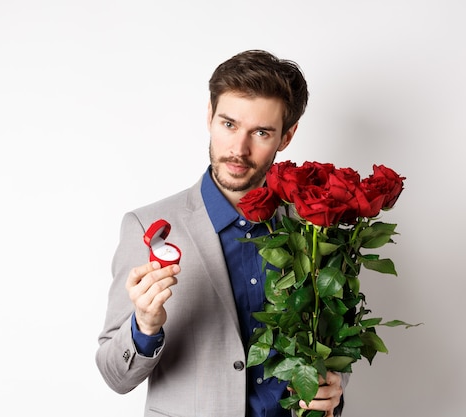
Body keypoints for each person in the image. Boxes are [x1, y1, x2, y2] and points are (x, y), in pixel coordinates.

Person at [95, 49, 349, 417]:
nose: (239, 149)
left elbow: (332, 343)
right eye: (228, 124)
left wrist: (333, 390)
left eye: (261, 132)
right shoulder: (146, 226)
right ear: (210, 116)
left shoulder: (313, 227)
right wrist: (144, 325)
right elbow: (115, 376)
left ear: (287, 136)